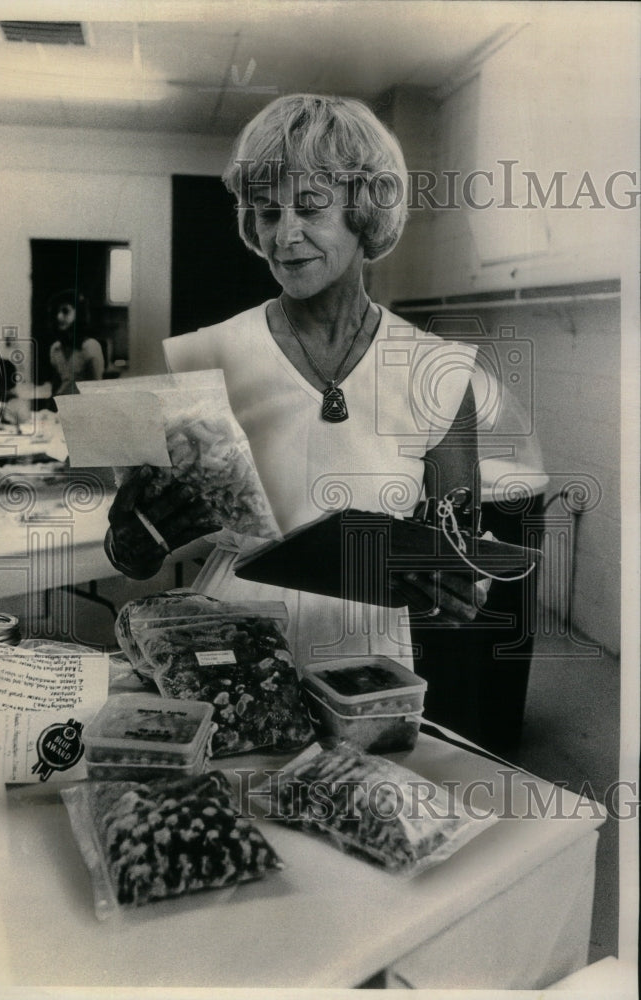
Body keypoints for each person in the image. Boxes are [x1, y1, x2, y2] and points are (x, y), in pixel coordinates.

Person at [105, 93, 489, 674]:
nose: (284, 237)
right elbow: (138, 556)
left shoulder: (436, 372)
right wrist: (130, 544)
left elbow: (461, 562)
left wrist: (459, 592)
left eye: (310, 208)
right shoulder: (209, 357)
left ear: (364, 212)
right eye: (266, 211)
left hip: (368, 659)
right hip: (226, 644)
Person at [47, 289, 104, 395]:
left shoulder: (90, 347)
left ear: (78, 313)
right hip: (61, 406)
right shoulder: (55, 349)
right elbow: (56, 386)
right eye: (56, 312)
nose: (59, 317)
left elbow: (96, 389)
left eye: (65, 311)